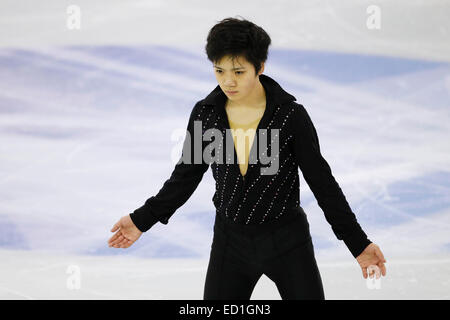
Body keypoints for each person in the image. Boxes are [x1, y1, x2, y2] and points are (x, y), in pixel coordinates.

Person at [107, 16, 387, 300]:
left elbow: (323, 184)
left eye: (238, 72)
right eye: (219, 70)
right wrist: (142, 219)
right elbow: (185, 177)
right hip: (231, 245)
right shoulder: (207, 114)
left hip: (287, 242)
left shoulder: (289, 116)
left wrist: (358, 244)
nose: (228, 81)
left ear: (260, 67)